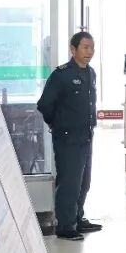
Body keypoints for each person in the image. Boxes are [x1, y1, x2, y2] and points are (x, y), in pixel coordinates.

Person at [37, 31, 102, 241]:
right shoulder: (61, 75)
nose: (89, 52)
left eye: (92, 48)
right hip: (67, 138)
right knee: (69, 182)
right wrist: (57, 124)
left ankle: (77, 218)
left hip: (86, 136)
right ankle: (65, 226)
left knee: (84, 182)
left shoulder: (90, 73)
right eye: (85, 47)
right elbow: (44, 104)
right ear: (73, 49)